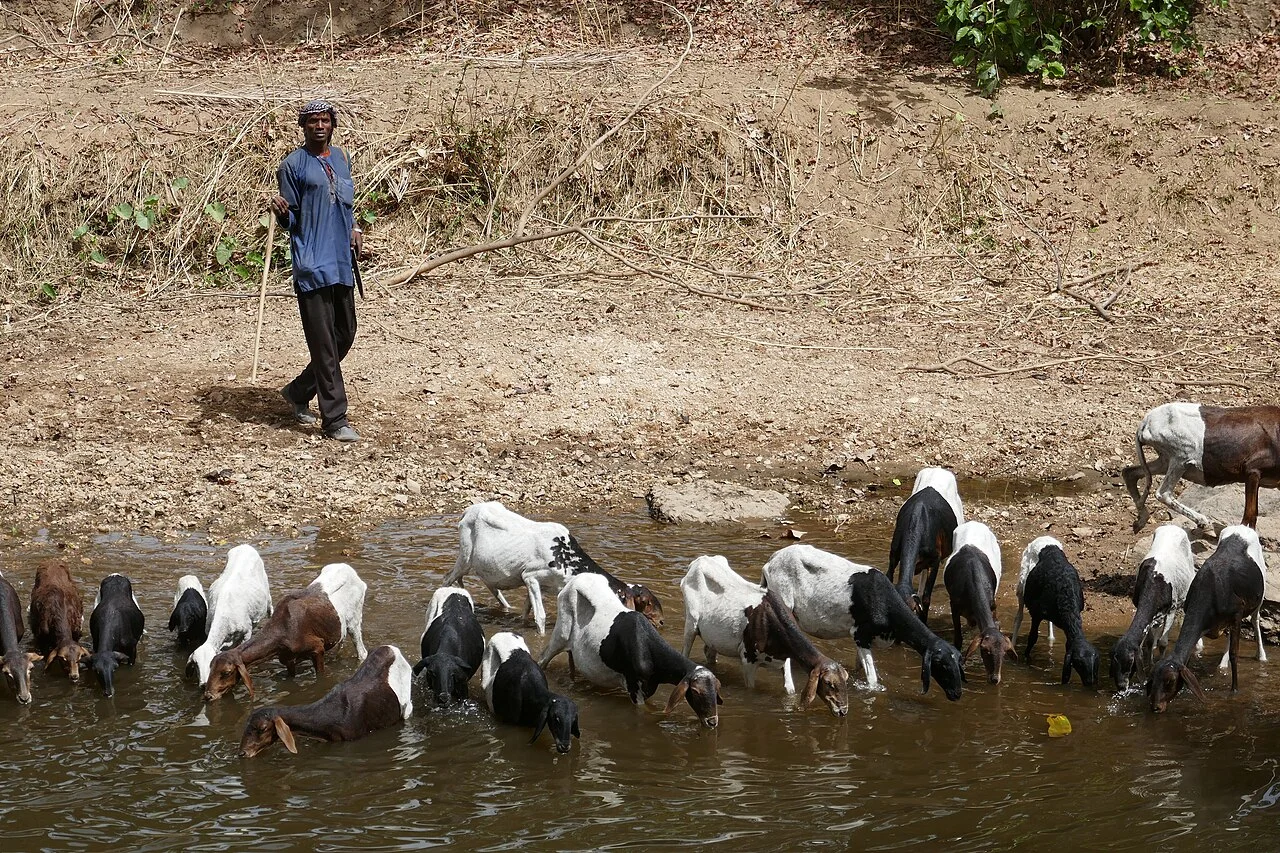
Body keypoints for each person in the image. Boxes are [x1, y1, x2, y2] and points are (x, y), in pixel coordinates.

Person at [268, 98, 364, 442]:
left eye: (324, 120)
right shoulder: (292, 166)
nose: (319, 126)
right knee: (324, 344)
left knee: (345, 334)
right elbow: (292, 220)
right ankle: (335, 418)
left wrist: (355, 229)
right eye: (312, 121)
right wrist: (281, 212)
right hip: (312, 262)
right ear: (302, 126)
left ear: (332, 125)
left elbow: (346, 203)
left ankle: (298, 391)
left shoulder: (340, 158)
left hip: (341, 260)